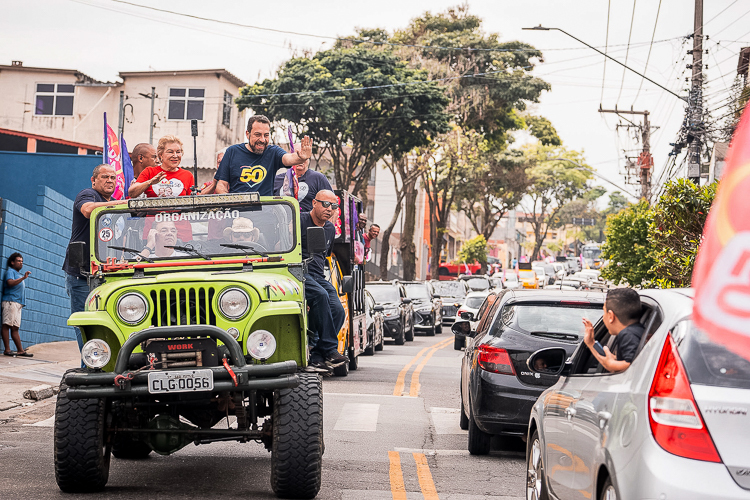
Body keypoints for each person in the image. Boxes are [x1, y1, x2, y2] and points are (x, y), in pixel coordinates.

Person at [63, 164, 121, 353]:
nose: (110, 181)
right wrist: (119, 204)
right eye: (105, 177)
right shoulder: (87, 195)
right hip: (83, 276)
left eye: (113, 178)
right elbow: (88, 210)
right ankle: (89, 368)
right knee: (86, 326)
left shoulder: (116, 206)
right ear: (93, 180)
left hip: (108, 276)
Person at [300, 189, 348, 372]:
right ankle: (329, 349)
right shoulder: (299, 220)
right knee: (320, 295)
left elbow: (324, 255)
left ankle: (319, 355)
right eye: (325, 204)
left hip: (318, 276)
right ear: (314, 203)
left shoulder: (329, 228)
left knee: (338, 309)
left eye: (334, 206)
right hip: (298, 274)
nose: (329, 209)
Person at [214, 115, 313, 195]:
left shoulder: (273, 152)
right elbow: (221, 184)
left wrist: (300, 157)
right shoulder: (232, 152)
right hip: (237, 215)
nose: (262, 140)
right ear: (247, 134)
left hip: (265, 215)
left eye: (266, 135)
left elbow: (288, 158)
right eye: (258, 135)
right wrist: (229, 203)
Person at [582, 288, 644, 373]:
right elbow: (631, 357)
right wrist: (591, 343)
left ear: (611, 316)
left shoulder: (627, 334)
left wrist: (610, 365)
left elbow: (633, 365)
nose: (604, 316)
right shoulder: (638, 331)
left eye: (604, 312)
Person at [128, 135, 194, 199]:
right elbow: (132, 193)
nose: (175, 155)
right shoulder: (149, 171)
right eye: (170, 152)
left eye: (178, 152)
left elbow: (193, 201)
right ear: (161, 155)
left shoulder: (188, 175)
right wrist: (150, 182)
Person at [2, 253, 32, 357]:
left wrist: (22, 277)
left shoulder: (18, 274)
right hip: (11, 301)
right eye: (18, 261)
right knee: (7, 325)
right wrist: (23, 278)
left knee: (15, 328)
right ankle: (7, 350)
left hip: (18, 303)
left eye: (22, 261)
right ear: (12, 262)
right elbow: (10, 283)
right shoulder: (11, 271)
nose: (21, 263)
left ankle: (20, 350)